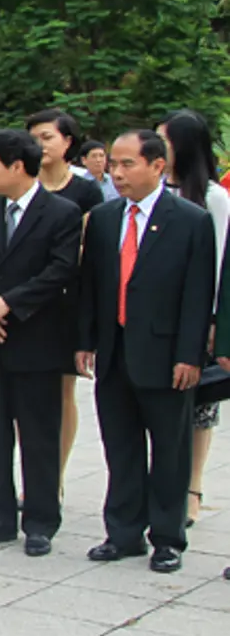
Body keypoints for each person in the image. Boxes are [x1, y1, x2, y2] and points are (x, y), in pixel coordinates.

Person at [78, 131, 216, 574]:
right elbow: (91, 285)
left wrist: (190, 355)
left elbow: (198, 294)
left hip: (166, 356)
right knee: (121, 447)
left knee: (170, 452)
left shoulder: (190, 220)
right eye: (113, 165)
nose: (116, 173)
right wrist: (85, 341)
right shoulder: (102, 218)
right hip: (115, 352)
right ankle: (123, 532)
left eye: (127, 164)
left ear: (158, 166)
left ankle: (168, 537)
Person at [0, 130, 82, 556]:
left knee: (39, 435)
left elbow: (61, 270)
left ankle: (42, 521)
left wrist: (7, 304)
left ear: (17, 166)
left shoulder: (61, 213)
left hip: (37, 339)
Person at [158, 110, 230, 528]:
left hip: (199, 313)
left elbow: (219, 263)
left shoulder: (213, 197)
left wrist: (215, 320)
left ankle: (193, 488)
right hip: (157, 314)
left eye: (164, 140)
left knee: (200, 404)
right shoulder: (152, 191)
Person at [27, 108, 104, 496]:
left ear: (67, 142)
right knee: (29, 394)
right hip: (25, 300)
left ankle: (53, 474)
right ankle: (33, 471)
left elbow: (87, 251)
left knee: (62, 390)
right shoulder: (24, 183)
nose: (40, 145)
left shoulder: (86, 192)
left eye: (47, 137)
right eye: (35, 138)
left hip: (65, 299)